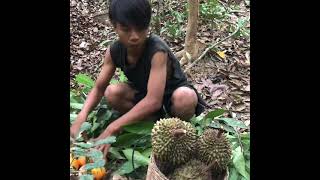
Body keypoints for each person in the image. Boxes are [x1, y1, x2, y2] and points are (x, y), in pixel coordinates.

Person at [70, 0, 208, 158]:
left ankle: (177, 129)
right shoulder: (115, 51)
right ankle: (153, 122)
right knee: (112, 92)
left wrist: (112, 128)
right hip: (144, 97)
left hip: (171, 98)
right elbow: (99, 88)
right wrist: (82, 116)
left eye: (140, 28)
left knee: (186, 97)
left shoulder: (157, 51)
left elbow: (154, 100)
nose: (134, 36)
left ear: (147, 26)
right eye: (126, 29)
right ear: (114, 26)